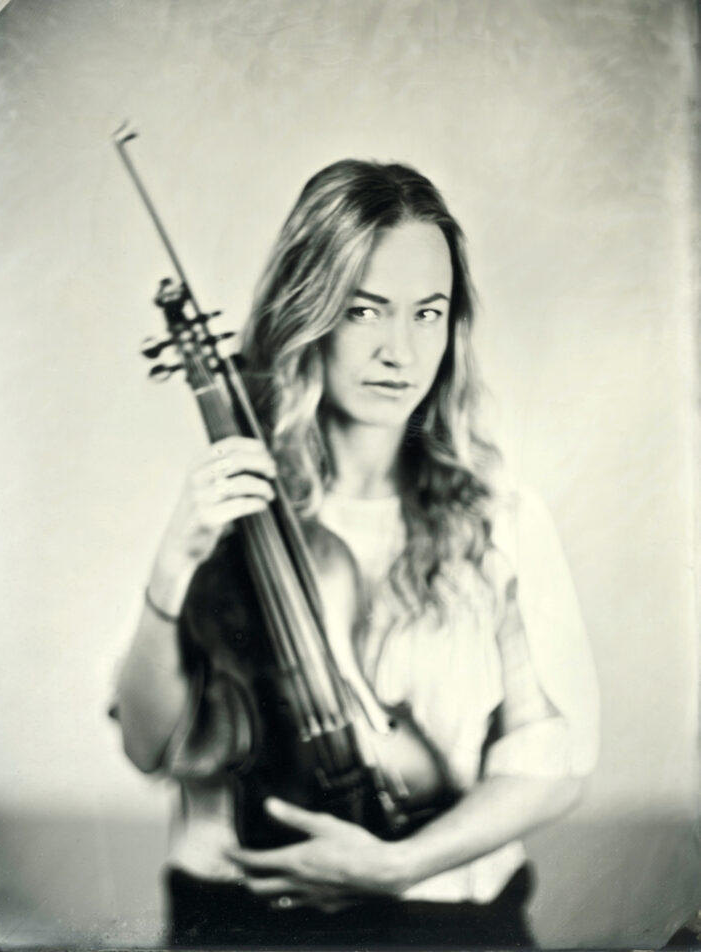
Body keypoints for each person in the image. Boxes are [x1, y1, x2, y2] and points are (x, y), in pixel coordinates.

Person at [114, 160, 600, 949]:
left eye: (427, 313)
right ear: (309, 311)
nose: (399, 351)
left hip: (448, 925)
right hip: (241, 923)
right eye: (364, 310)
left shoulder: (502, 516)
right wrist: (172, 569)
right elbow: (148, 746)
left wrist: (398, 864)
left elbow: (555, 758)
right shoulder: (231, 503)